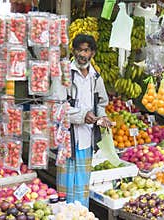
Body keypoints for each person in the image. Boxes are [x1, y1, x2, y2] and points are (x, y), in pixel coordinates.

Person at [56, 34, 112, 207]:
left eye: (86, 50)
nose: (82, 54)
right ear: (73, 51)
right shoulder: (64, 74)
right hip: (67, 139)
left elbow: (102, 102)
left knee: (82, 185)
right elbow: (57, 107)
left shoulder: (96, 77)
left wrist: (101, 117)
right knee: (65, 187)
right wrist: (82, 115)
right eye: (79, 50)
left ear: (92, 53)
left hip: (87, 138)